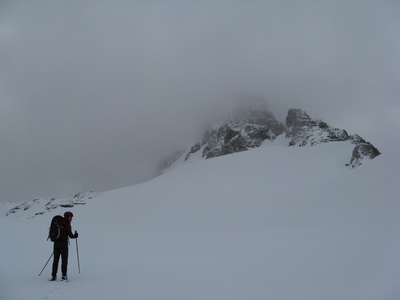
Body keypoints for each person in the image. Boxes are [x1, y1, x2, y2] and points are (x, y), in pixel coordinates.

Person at [50, 211, 78, 281]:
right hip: (64, 244)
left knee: (55, 260)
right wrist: (75, 236)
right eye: (70, 217)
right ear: (67, 217)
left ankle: (54, 275)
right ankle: (64, 275)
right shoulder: (67, 224)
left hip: (56, 243)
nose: (71, 219)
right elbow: (70, 235)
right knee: (64, 260)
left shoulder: (58, 222)